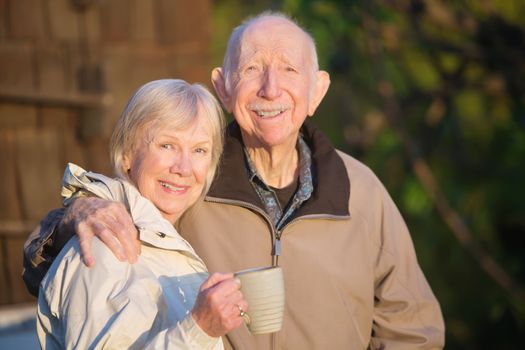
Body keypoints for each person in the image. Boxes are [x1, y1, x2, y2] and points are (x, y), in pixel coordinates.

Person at [24, 12, 445, 349]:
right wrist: (73, 214)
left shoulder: (362, 190)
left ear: (317, 91)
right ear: (223, 88)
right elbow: (86, 247)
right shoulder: (191, 182)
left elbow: (412, 329)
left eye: (289, 69)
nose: (270, 87)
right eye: (252, 68)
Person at [35, 79, 248, 349]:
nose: (184, 167)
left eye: (199, 150)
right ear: (126, 154)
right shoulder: (105, 245)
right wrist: (199, 329)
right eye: (167, 145)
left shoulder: (168, 243)